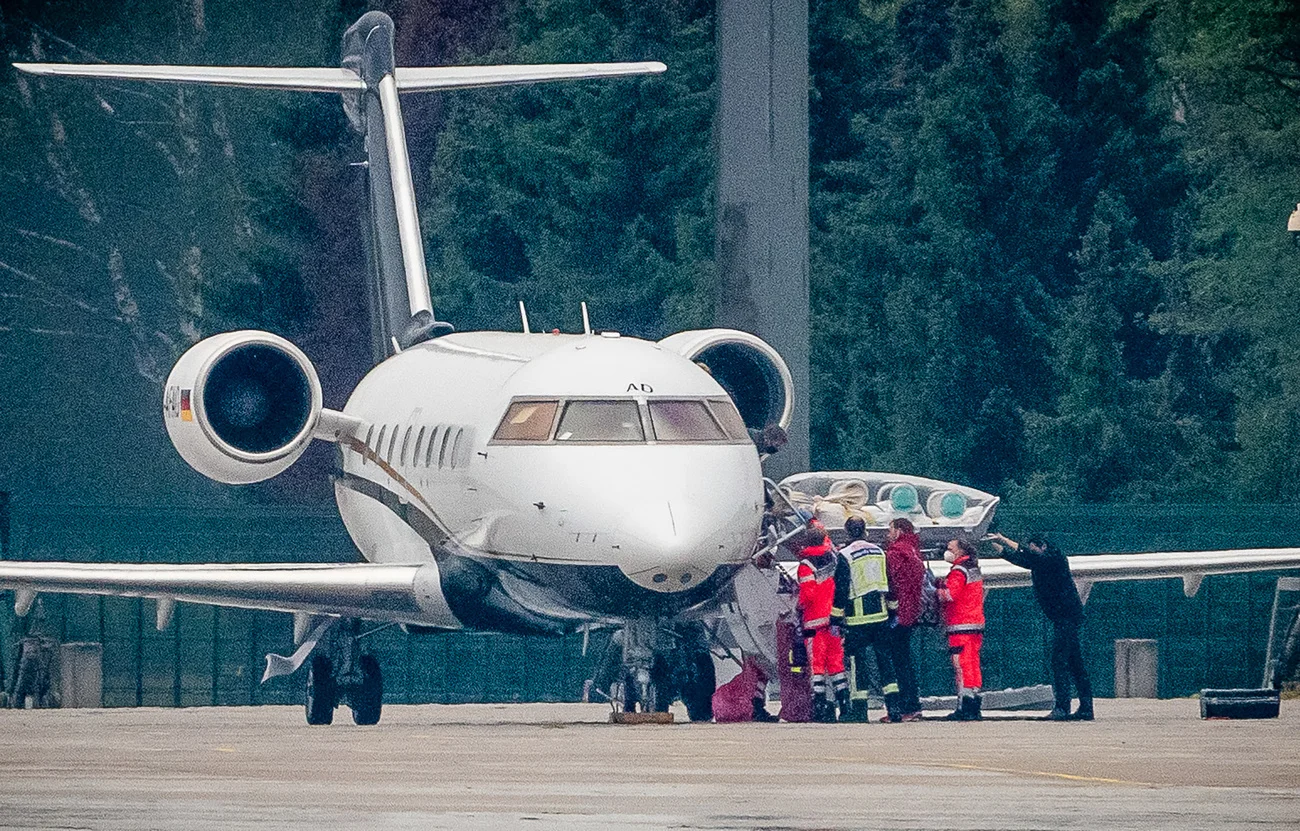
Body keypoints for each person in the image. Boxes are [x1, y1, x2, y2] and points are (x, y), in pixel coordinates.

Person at [986, 532, 1094, 721]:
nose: (1030, 552)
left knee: (1059, 662)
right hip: (1065, 617)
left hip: (1066, 617)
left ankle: (1062, 707)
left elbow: (1025, 554)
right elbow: (1019, 558)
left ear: (1042, 546)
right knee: (1075, 663)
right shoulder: (1041, 561)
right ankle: (1086, 707)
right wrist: (995, 547)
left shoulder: (1054, 558)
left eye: (1032, 548)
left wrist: (1002, 539)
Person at [832, 516, 902, 723]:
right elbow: (890, 582)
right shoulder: (880, 552)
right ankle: (894, 708)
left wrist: (835, 618)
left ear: (847, 532)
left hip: (857, 618)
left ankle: (859, 710)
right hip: (881, 615)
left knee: (857, 664)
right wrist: (893, 610)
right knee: (885, 662)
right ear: (865, 531)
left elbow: (841, 587)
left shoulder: (845, 555)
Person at [797, 525, 848, 722]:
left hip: (814, 622)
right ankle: (844, 704)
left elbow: (807, 595)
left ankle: (820, 706)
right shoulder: (834, 558)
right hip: (834, 619)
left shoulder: (806, 565)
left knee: (817, 665)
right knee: (836, 663)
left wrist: (799, 605)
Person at [885, 517, 926, 721]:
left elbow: (891, 583)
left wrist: (891, 608)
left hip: (898, 613)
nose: (888, 534)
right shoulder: (914, 552)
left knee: (898, 663)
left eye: (890, 530)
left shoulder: (895, 553)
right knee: (906, 660)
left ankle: (905, 706)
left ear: (899, 531)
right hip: (911, 612)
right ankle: (913, 704)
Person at [938, 538, 984, 721]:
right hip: (975, 623)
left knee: (961, 665)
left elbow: (950, 595)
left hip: (960, 624)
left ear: (960, 551)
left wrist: (935, 589)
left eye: (950, 548)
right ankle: (974, 702)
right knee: (972, 664)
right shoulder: (973, 568)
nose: (947, 551)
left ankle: (964, 706)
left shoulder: (958, 571)